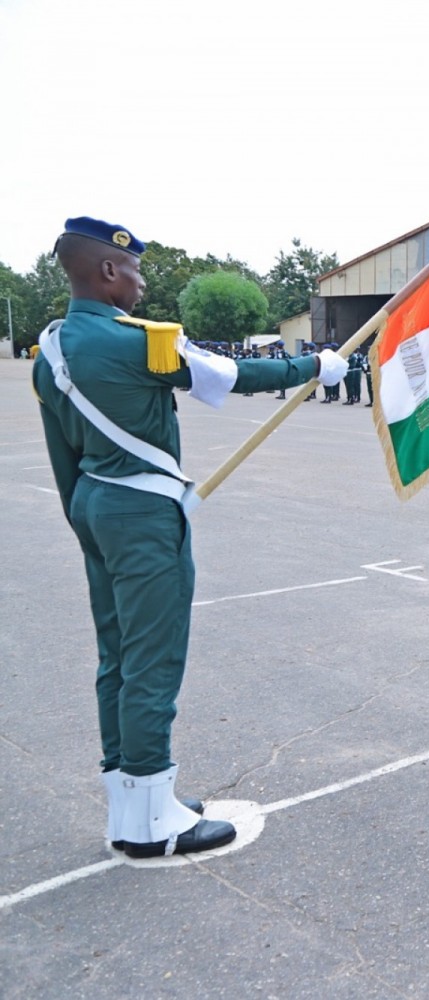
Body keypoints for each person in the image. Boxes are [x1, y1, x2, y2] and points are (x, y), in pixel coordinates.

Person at [33, 217, 347, 858]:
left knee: (117, 656)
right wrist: (319, 363)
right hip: (143, 515)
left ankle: (132, 799)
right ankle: (154, 825)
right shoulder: (132, 343)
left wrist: (87, 524)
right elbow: (231, 376)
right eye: (138, 273)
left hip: (95, 506)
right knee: (153, 660)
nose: (144, 285)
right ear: (108, 271)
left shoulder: (54, 349)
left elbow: (63, 457)